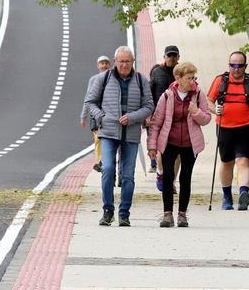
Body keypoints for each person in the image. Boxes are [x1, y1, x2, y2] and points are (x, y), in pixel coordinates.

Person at [84, 46, 154, 227]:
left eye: (128, 61)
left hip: (131, 133)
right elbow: (90, 102)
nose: (124, 65)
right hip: (108, 132)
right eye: (121, 61)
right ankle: (108, 211)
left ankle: (124, 213)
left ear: (133, 62)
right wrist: (101, 116)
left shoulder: (141, 80)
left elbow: (149, 106)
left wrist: (133, 117)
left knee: (128, 175)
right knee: (107, 169)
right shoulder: (104, 78)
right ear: (115, 62)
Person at [146, 62, 211, 227]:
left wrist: (195, 112)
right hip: (170, 141)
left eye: (193, 78)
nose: (192, 82)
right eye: (189, 78)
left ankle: (182, 214)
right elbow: (156, 123)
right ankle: (167, 214)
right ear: (178, 78)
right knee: (168, 177)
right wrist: (152, 146)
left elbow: (206, 119)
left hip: (190, 143)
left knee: (186, 177)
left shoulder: (198, 95)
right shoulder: (167, 96)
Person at [207, 51, 249, 211]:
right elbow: (208, 101)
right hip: (224, 127)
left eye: (239, 66)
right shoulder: (220, 81)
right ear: (229, 65)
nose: (236, 69)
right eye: (232, 65)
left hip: (247, 127)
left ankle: (243, 194)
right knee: (226, 162)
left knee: (243, 161)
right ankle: (227, 197)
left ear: (245, 66)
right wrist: (216, 110)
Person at [149, 45, 180, 189]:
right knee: (163, 149)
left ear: (178, 57)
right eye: (169, 56)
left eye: (174, 56)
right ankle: (161, 174)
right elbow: (149, 92)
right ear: (165, 57)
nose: (172, 58)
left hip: (179, 117)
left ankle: (171, 181)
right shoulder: (157, 71)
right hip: (160, 115)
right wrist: (149, 113)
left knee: (179, 152)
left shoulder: (183, 72)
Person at [80, 55, 112, 172]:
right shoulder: (93, 80)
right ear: (98, 66)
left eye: (106, 63)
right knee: (98, 139)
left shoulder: (113, 78)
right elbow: (88, 98)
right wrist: (83, 116)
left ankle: (106, 161)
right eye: (101, 63)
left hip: (110, 114)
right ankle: (100, 162)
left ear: (110, 65)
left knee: (109, 140)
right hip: (96, 115)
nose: (104, 65)